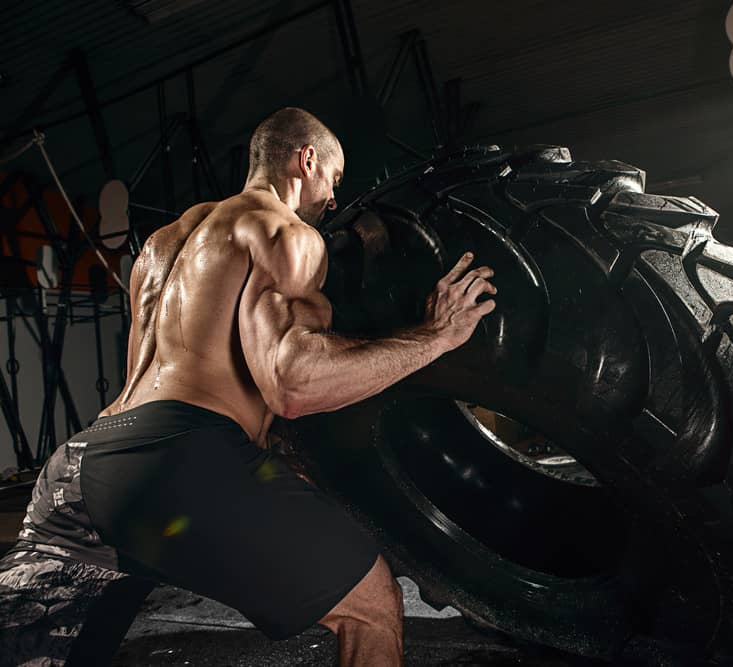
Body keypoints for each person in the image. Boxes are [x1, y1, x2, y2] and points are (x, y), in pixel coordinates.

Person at [1, 107, 497, 665]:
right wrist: (436, 337)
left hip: (83, 462)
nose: (333, 201)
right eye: (332, 181)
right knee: (371, 605)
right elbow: (294, 384)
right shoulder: (283, 232)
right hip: (172, 462)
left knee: (34, 649)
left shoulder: (163, 244)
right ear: (305, 161)